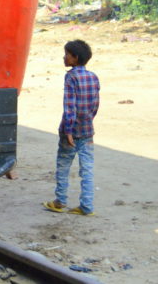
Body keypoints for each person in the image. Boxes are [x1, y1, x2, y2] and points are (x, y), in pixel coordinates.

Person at [43, 39, 100, 216]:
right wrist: (88, 120)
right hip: (87, 130)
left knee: (63, 166)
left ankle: (60, 201)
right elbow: (95, 105)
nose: (64, 57)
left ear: (75, 58)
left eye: (67, 54)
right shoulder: (93, 77)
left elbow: (70, 107)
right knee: (87, 170)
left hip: (71, 131)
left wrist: (68, 130)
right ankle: (87, 206)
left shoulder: (71, 77)